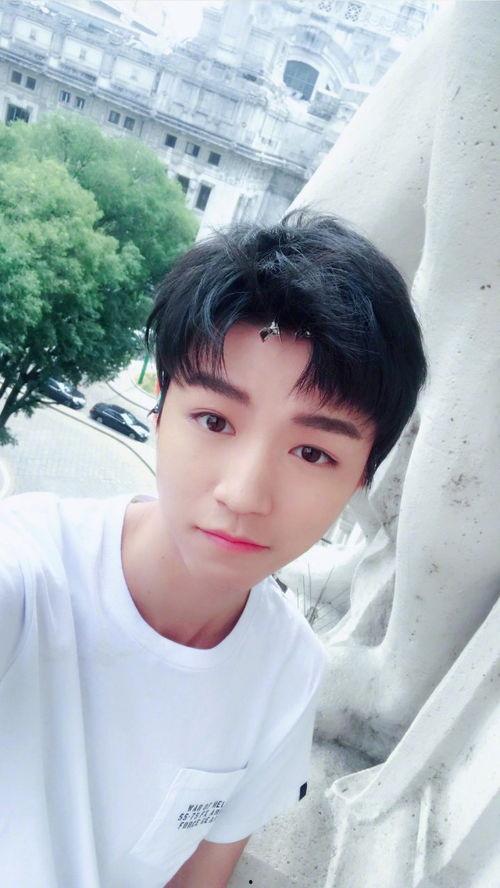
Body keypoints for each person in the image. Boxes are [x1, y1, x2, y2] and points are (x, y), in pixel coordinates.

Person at [0, 210, 427, 888]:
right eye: (214, 420)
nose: (245, 493)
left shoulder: (286, 671)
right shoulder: (30, 572)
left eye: (312, 452)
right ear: (159, 409)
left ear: (359, 479)